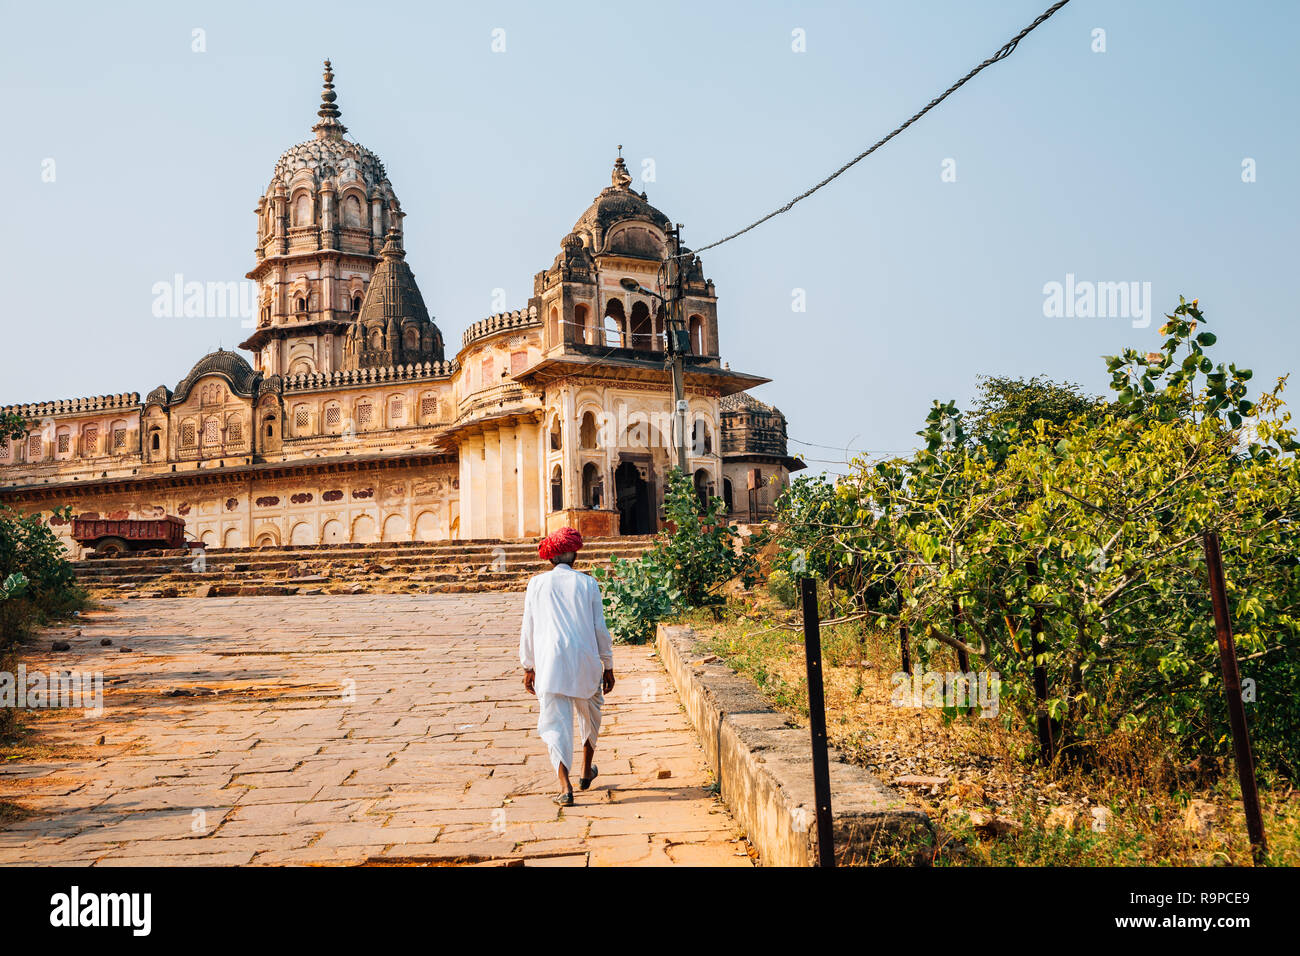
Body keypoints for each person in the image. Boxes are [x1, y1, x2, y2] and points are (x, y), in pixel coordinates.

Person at [519, 526, 616, 806]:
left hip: (550, 664)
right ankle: (587, 769)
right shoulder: (588, 584)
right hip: (585, 661)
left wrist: (529, 666)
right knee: (591, 714)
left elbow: (529, 628)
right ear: (575, 557)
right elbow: (600, 628)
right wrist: (607, 664)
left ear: (550, 559)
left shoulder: (536, 584)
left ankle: (565, 787)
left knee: (554, 723)